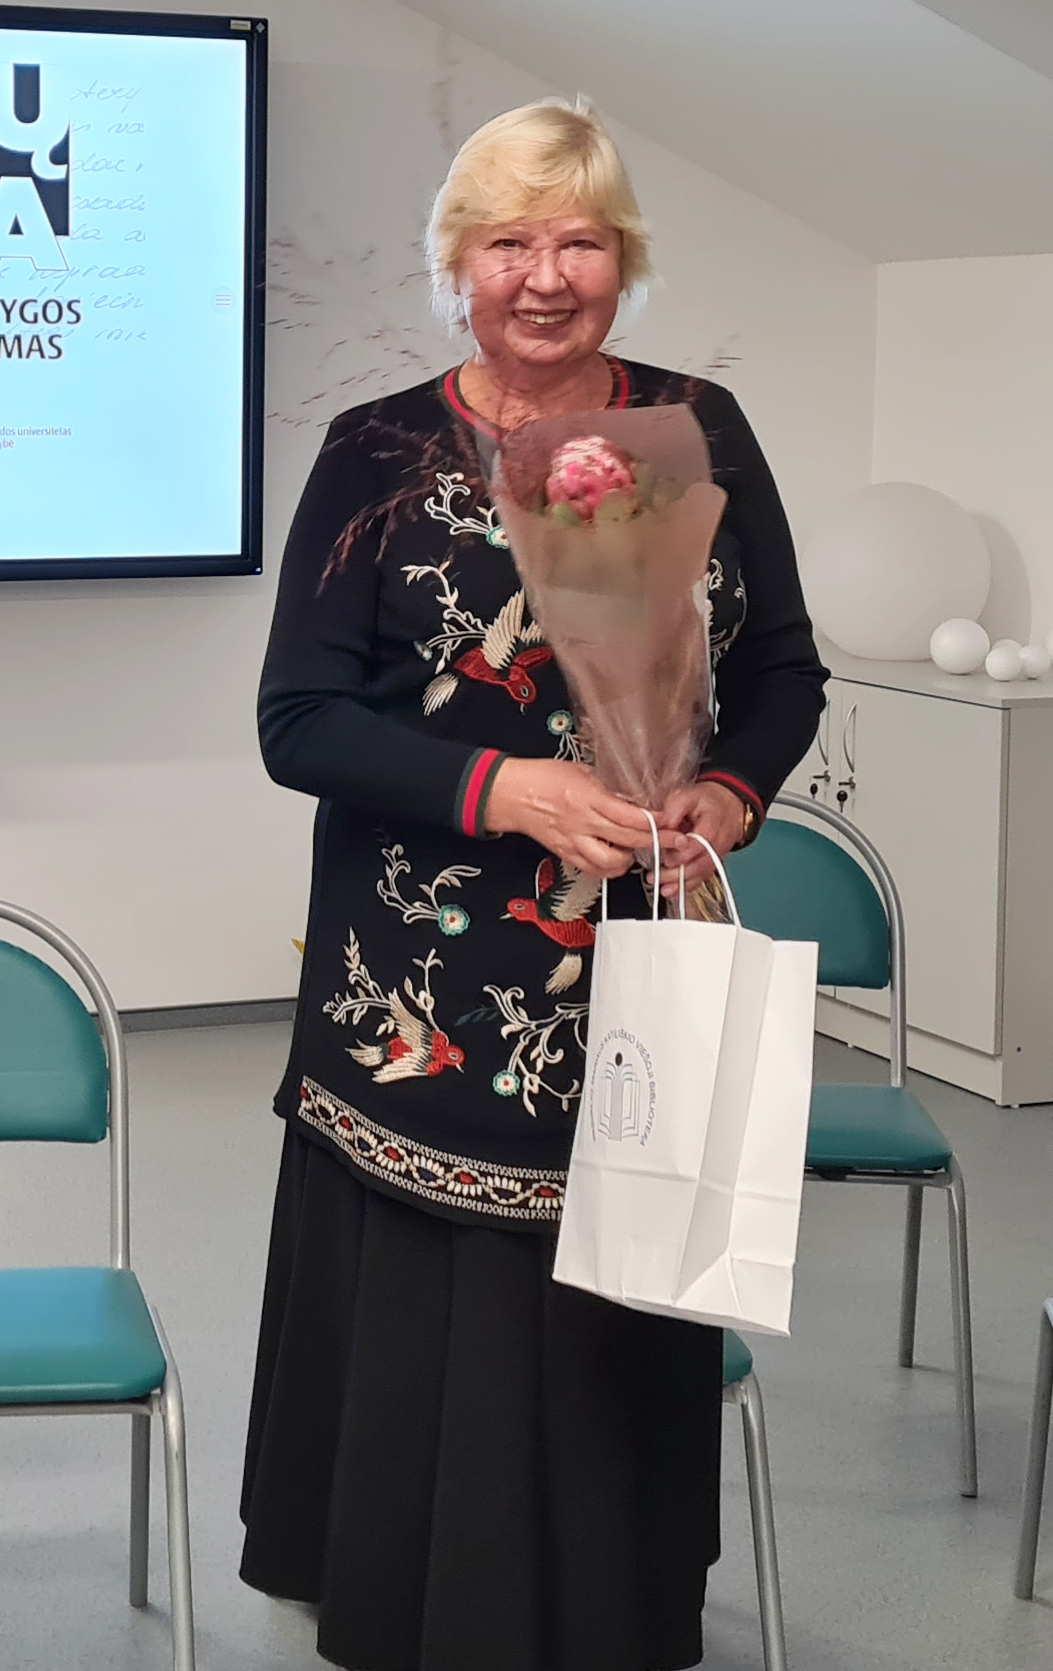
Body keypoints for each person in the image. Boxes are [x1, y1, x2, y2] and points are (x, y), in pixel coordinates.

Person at [240, 98, 827, 1671]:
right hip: (420, 979)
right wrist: (507, 791)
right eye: (508, 242)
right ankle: (409, 1607)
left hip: (636, 959)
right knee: (447, 1298)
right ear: (458, 263)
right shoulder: (374, 449)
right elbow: (299, 722)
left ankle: (605, 1608)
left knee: (621, 1283)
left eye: (579, 241)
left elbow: (782, 669)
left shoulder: (698, 427)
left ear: (621, 258)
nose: (545, 276)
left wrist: (725, 793)